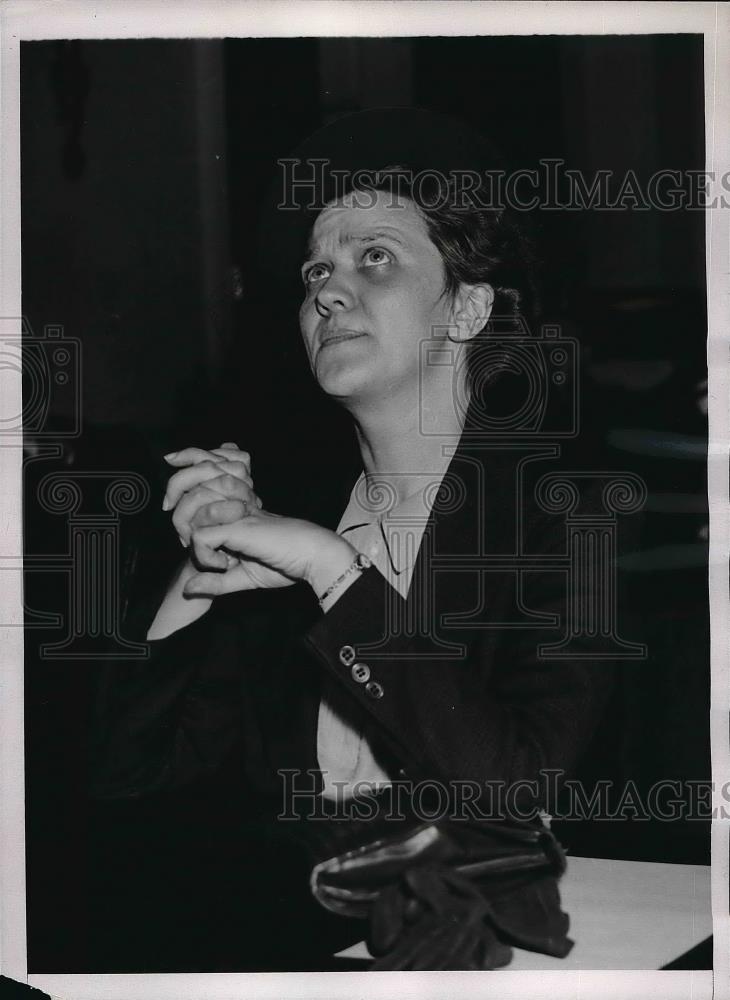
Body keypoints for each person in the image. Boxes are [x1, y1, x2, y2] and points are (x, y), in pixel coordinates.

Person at [91, 108, 614, 970]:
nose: (327, 289)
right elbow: (125, 777)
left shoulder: (567, 521)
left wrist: (339, 574)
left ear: (470, 307)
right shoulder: (293, 528)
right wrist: (201, 565)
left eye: (376, 257)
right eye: (316, 268)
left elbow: (517, 793)